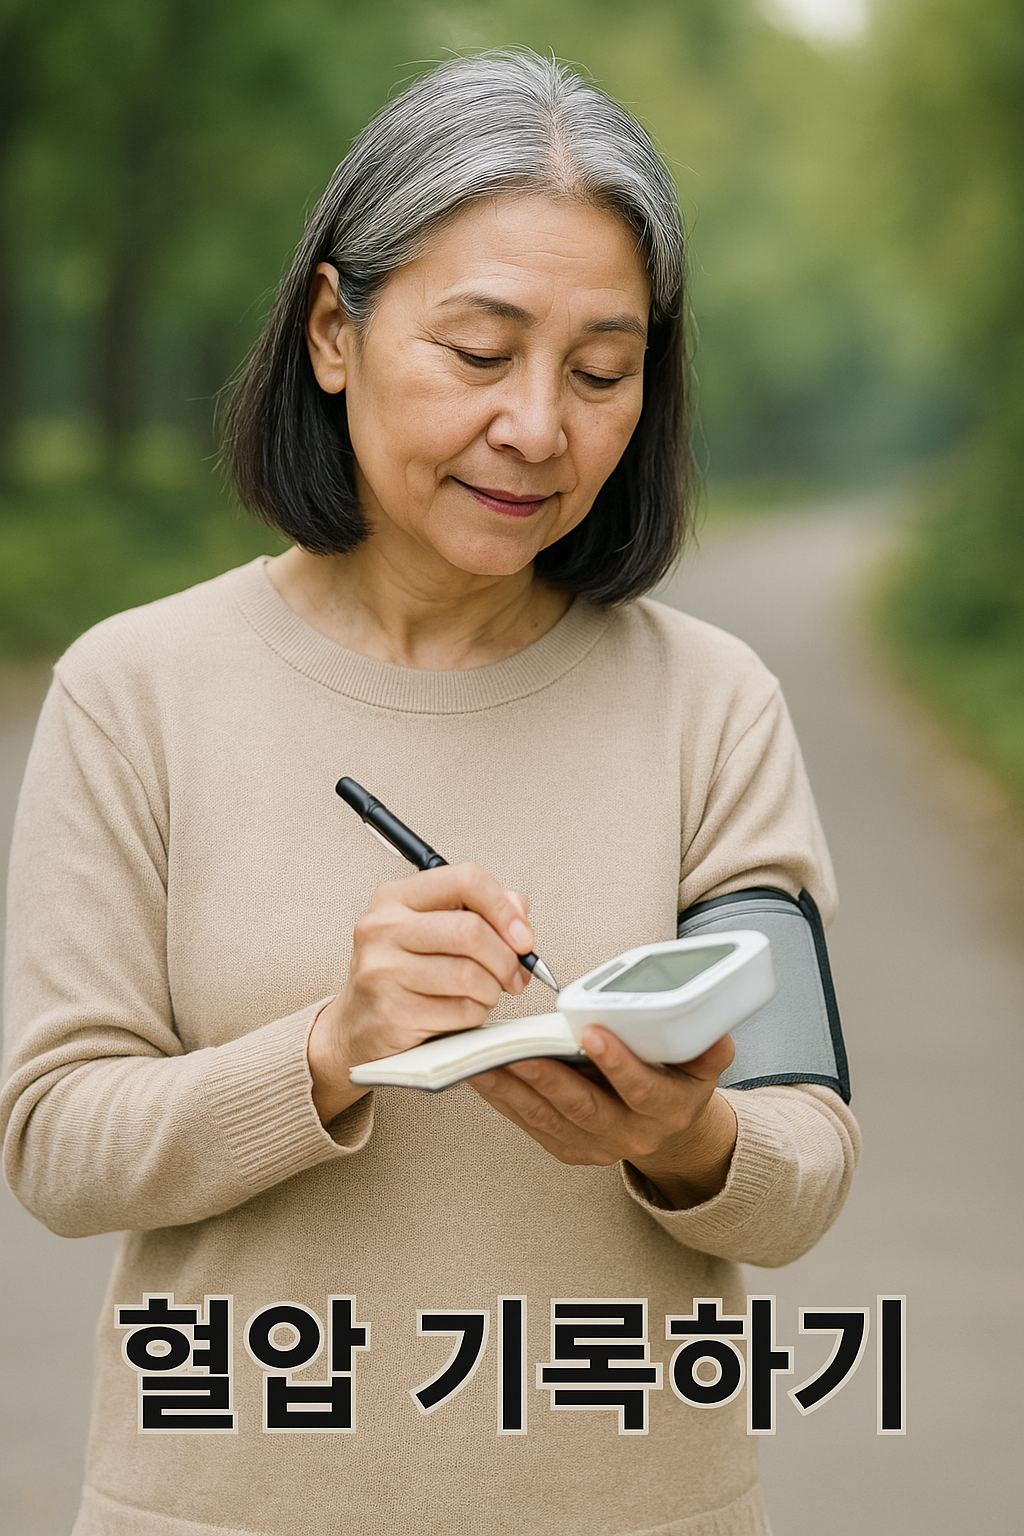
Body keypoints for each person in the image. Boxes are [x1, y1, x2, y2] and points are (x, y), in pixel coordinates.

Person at [0, 48, 859, 1536]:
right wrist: (331, 1051)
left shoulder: (712, 708)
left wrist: (676, 1135)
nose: (541, 425)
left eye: (603, 370)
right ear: (335, 329)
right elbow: (59, 1146)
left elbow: (805, 1166)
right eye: (480, 353)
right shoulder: (135, 690)